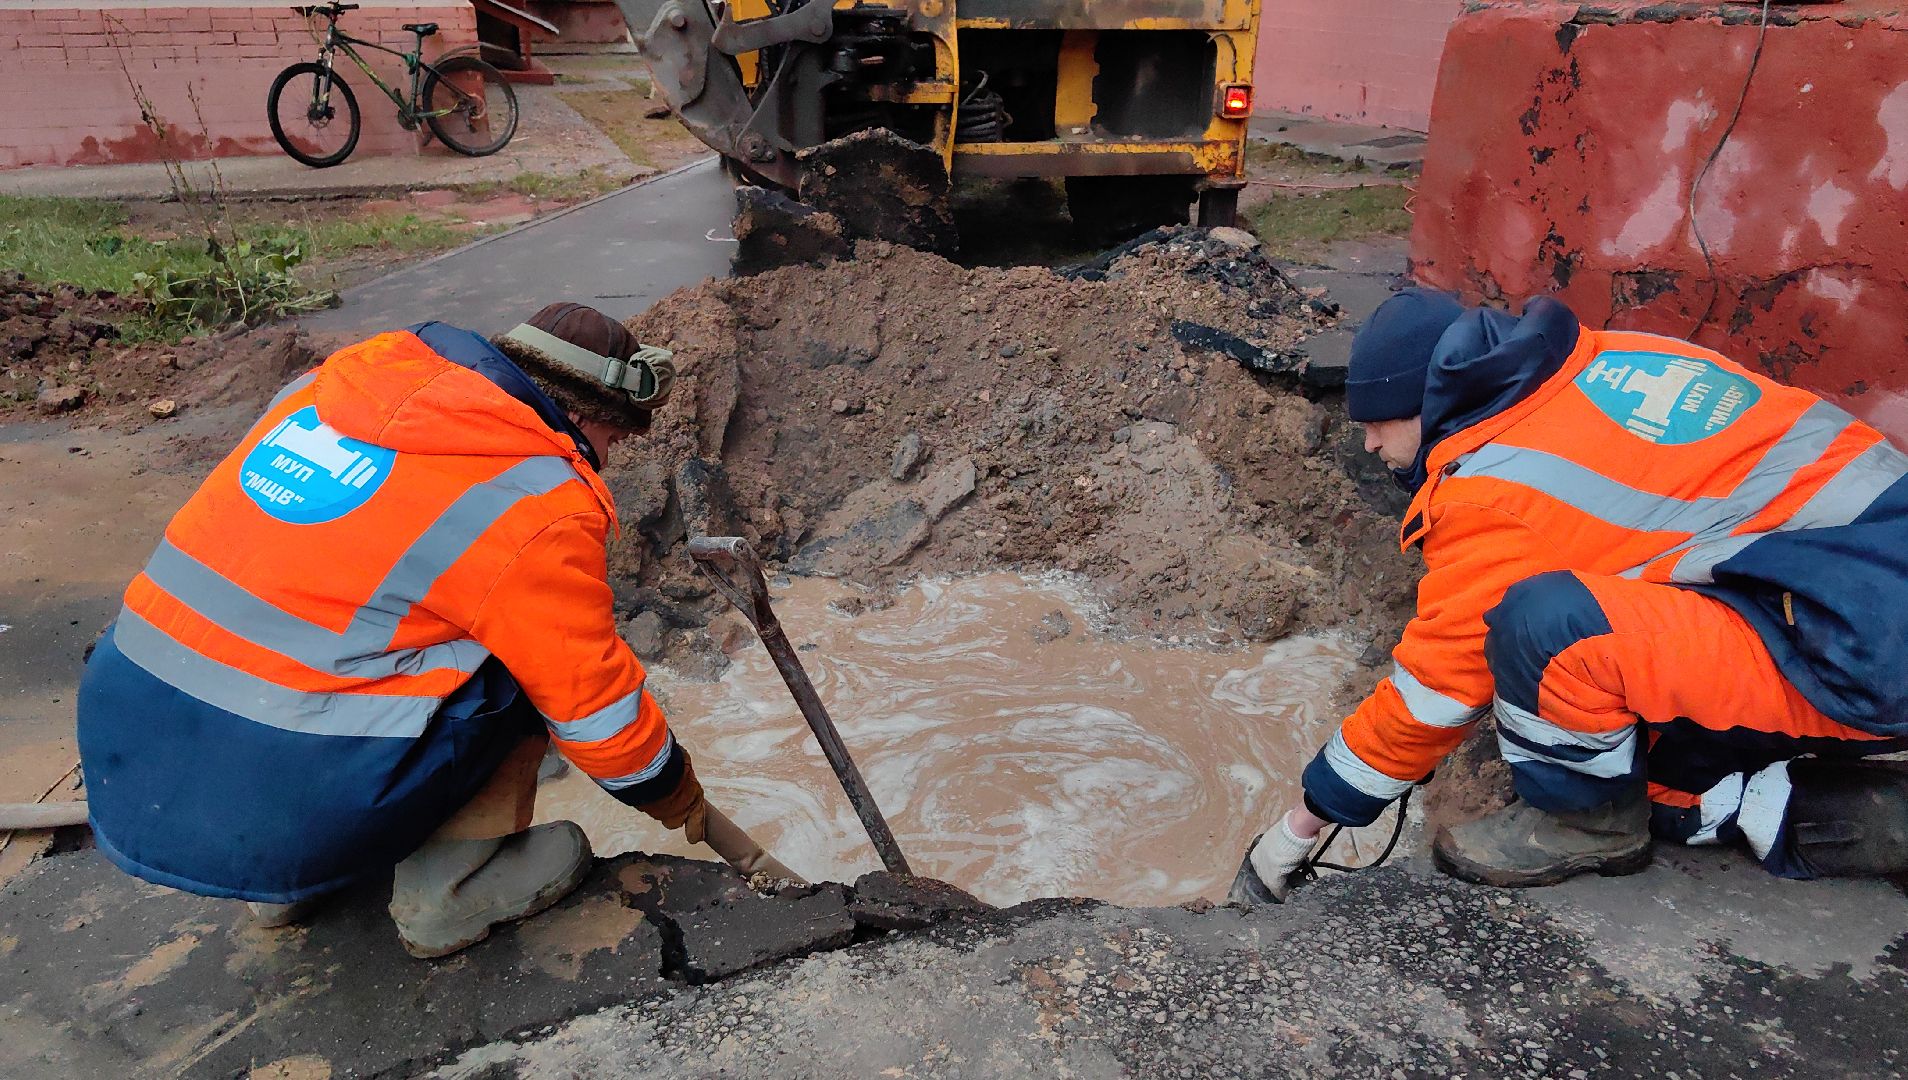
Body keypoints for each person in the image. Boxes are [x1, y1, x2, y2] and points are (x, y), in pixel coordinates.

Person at [1233, 288, 1908, 902]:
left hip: (1860, 648)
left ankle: (1591, 829)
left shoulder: (1494, 494)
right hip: (1851, 584)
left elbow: (1437, 691)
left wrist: (1304, 822)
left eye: (1380, 420)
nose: (1369, 443)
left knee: (1545, 632)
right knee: (1631, 730)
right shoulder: (1610, 356)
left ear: (1430, 403)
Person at [78, 303, 708, 957]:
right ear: (587, 415)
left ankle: (283, 888)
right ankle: (450, 890)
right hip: (284, 807)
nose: (605, 459)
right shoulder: (536, 499)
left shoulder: (322, 391)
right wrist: (674, 792)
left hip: (133, 753)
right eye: (614, 441)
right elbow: (595, 712)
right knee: (519, 658)